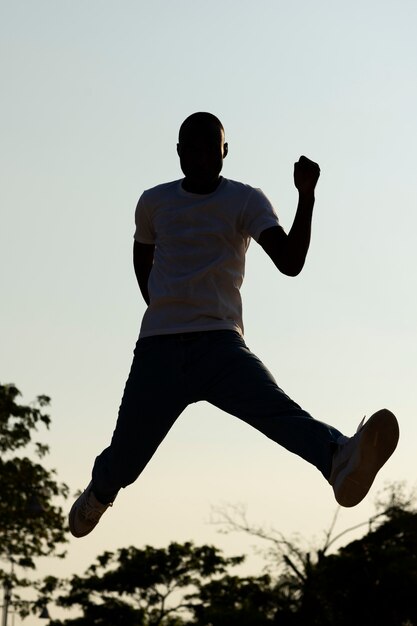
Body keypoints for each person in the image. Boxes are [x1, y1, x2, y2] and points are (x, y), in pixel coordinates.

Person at [69, 112, 399, 538]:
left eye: (211, 149)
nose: (202, 157)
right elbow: (141, 256)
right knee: (127, 459)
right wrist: (163, 307)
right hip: (160, 348)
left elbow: (290, 262)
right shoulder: (154, 202)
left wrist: (306, 196)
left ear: (225, 152)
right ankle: (99, 494)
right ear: (179, 153)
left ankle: (338, 459)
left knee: (276, 410)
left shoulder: (245, 201)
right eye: (192, 150)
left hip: (221, 346)